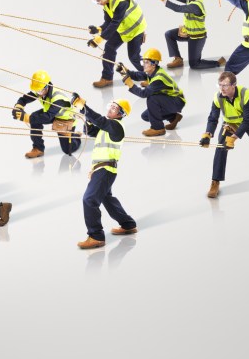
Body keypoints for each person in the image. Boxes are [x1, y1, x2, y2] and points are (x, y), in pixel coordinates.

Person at [75, 95, 138, 249]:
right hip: (101, 169)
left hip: (105, 169)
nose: (110, 108)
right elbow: (90, 130)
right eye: (111, 105)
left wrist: (84, 108)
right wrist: (86, 117)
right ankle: (128, 224)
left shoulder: (116, 127)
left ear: (121, 114)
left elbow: (100, 121)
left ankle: (96, 236)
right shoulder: (107, 128)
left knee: (89, 199)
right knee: (106, 199)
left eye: (115, 108)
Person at [199, 70, 249, 197]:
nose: (221, 88)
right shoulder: (218, 97)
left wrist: (234, 138)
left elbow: (246, 120)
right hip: (230, 124)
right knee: (220, 150)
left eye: (225, 85)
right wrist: (208, 134)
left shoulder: (245, 94)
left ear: (233, 85)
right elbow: (213, 118)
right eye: (220, 85)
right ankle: (215, 182)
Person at [155, 0, 224, 70]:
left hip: (197, 37)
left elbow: (177, 8)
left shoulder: (196, 5)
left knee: (194, 65)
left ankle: (218, 63)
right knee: (169, 34)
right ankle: (178, 59)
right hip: (188, 32)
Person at [86, 0, 146, 87]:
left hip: (136, 29)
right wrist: (98, 29)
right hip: (124, 30)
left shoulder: (120, 1)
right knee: (109, 48)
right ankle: (107, 78)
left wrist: (99, 39)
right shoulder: (106, 5)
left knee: (133, 57)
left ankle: (151, 76)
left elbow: (115, 23)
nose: (98, 3)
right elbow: (108, 22)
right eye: (95, 1)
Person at [12, 70, 81, 158]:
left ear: (47, 86)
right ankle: (38, 148)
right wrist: (19, 106)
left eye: (40, 91)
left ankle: (76, 137)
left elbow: (47, 117)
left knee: (67, 150)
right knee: (35, 118)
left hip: (65, 118)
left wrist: (26, 118)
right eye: (36, 91)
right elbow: (24, 99)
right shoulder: (40, 90)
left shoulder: (58, 98)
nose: (38, 93)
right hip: (51, 112)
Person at [122, 48, 184, 136]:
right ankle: (173, 117)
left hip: (177, 101)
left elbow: (143, 94)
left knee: (152, 98)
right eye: (143, 62)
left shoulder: (158, 78)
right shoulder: (152, 72)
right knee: (146, 116)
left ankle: (158, 128)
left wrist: (131, 85)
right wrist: (125, 71)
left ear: (154, 63)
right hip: (170, 100)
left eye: (146, 62)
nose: (143, 65)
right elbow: (137, 76)